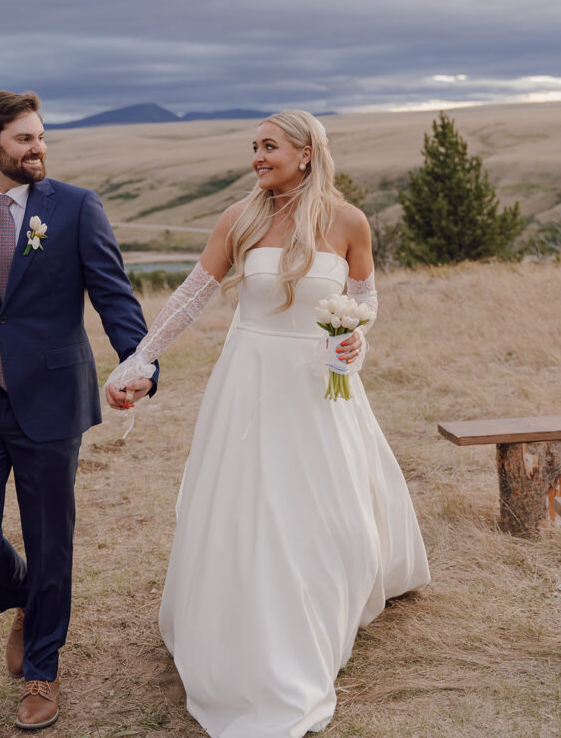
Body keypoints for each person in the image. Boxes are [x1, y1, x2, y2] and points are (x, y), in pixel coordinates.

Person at [105, 110, 430, 738]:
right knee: (250, 506)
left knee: (331, 510)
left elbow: (364, 301)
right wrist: (142, 357)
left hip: (318, 387)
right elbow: (194, 295)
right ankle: (251, 631)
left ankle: (325, 600)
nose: (257, 156)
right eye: (253, 146)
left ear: (306, 153)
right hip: (249, 382)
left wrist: (352, 343)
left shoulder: (347, 221)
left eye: (270, 146)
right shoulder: (243, 217)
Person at [0, 90, 154, 732]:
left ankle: (42, 671)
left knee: (52, 540)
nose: (39, 148)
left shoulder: (75, 208)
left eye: (42, 136)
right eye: (25, 139)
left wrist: (139, 364)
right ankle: (28, 601)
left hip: (52, 400)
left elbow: (113, 296)